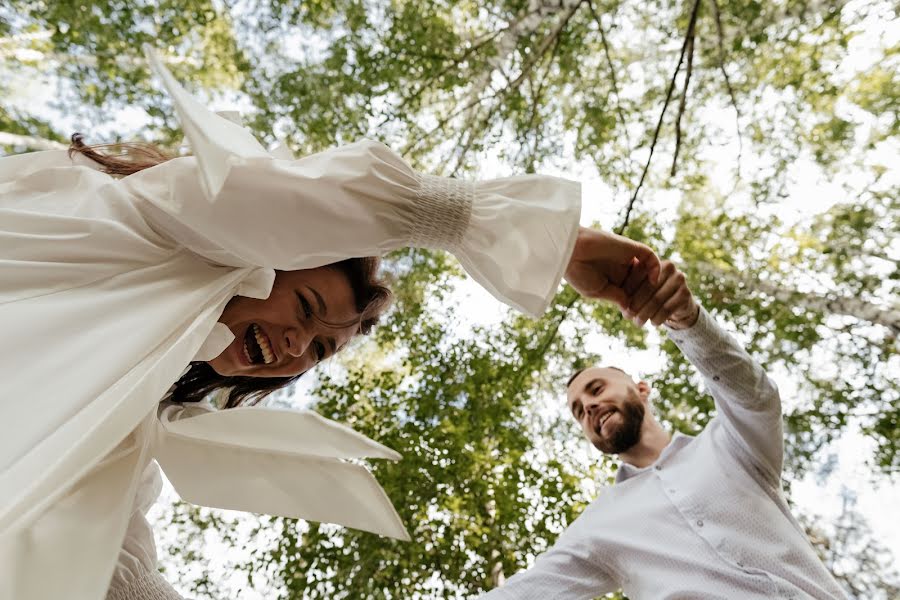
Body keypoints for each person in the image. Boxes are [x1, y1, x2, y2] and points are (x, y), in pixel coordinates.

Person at [0, 46, 662, 600]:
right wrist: (542, 240)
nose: (295, 348)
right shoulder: (146, 223)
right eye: (307, 309)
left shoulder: (131, 418)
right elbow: (301, 202)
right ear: (265, 252)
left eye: (318, 350)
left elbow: (105, 561)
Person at [483, 258, 850, 599]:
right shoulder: (598, 525)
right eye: (579, 412)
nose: (590, 407)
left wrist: (687, 320)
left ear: (641, 390)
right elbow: (527, 592)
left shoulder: (730, 445)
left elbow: (754, 396)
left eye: (596, 390)